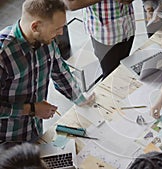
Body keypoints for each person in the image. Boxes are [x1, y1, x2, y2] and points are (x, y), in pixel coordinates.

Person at [0, 0, 94, 143]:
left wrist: (81, 99)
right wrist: (32, 109)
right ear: (36, 26)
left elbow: (60, 72)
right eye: (56, 29)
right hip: (7, 139)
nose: (61, 33)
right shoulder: (3, 53)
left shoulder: (46, 39)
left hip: (34, 130)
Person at [63, 0, 135, 79]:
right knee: (111, 77)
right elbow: (71, 4)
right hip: (105, 34)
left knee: (124, 70)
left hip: (128, 24)